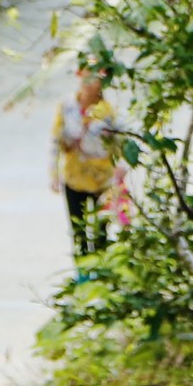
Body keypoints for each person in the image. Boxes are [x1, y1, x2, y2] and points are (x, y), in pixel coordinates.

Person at [49, 70, 120, 257]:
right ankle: (82, 279)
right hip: (74, 177)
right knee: (78, 232)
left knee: (101, 233)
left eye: (93, 78)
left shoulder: (108, 112)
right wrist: (53, 174)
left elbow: (118, 145)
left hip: (102, 180)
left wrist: (120, 177)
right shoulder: (66, 106)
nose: (88, 82)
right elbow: (56, 140)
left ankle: (102, 278)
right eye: (85, 76)